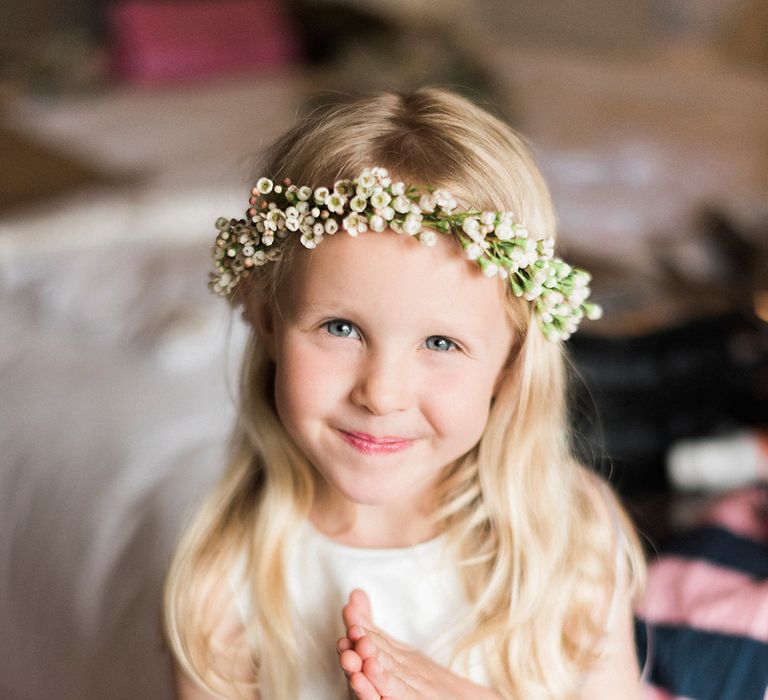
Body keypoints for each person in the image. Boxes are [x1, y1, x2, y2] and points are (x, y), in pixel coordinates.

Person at [163, 87, 647, 700]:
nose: (382, 394)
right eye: (341, 328)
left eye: (441, 343)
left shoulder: (567, 529)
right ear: (266, 319)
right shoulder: (222, 582)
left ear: (510, 361)